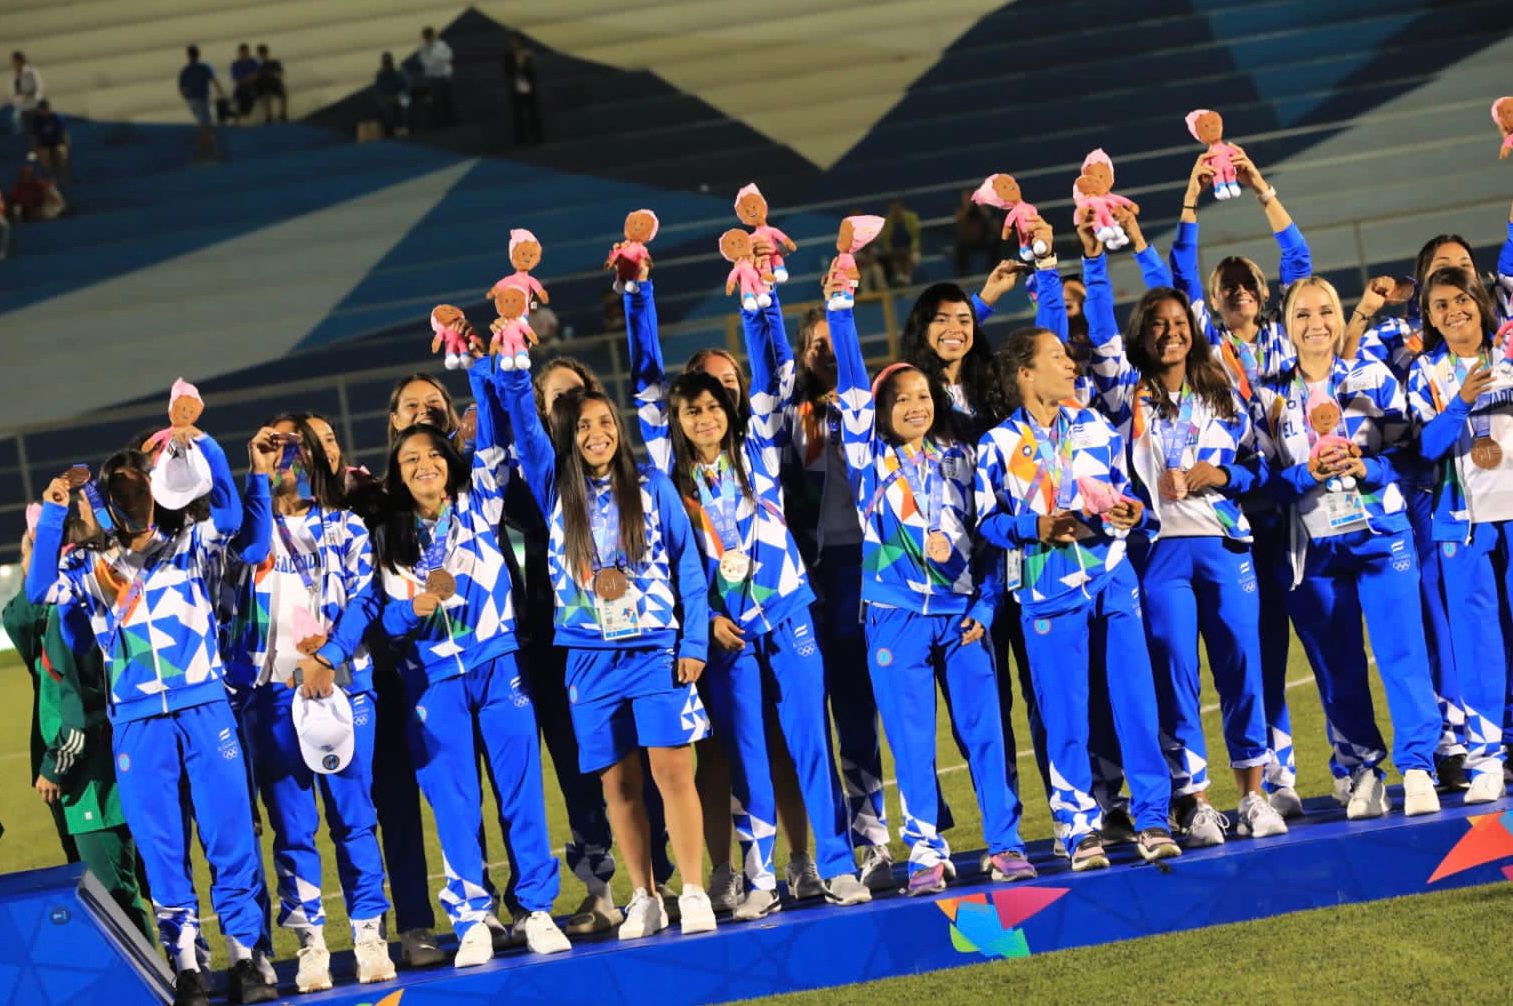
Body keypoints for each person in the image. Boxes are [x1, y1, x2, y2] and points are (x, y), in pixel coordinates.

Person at [629, 269, 872, 918]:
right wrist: (639, 294)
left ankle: (837, 865)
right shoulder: (668, 477)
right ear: (676, 421)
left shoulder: (759, 446)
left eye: (713, 406)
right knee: (746, 755)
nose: (705, 417)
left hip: (787, 612)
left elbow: (766, 364)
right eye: (692, 410)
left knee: (809, 742)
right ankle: (760, 876)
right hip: (725, 630)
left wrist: (757, 291)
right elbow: (645, 387)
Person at [26, 427, 280, 1006]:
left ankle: (248, 955)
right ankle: (188, 962)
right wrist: (52, 516)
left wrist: (212, 449)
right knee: (162, 845)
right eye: (118, 489)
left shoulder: (191, 543)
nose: (130, 496)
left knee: (228, 833)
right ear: (110, 501)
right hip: (138, 723)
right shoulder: (94, 568)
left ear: (157, 486)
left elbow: (246, 526)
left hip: (203, 704)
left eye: (138, 483)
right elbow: (40, 590)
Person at [1080, 212, 1286, 846]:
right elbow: (1102, 335)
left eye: (1178, 324)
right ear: (1144, 336)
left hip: (1226, 546)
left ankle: (1253, 795)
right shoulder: (1124, 396)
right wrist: (1093, 263)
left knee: (1243, 668)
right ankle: (1194, 801)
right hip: (1158, 552)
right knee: (1176, 675)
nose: (1170, 333)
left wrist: (1216, 476)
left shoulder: (1221, 391)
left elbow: (1261, 469)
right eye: (1158, 326)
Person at [828, 272, 1036, 896]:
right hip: (895, 615)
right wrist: (841, 305)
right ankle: (926, 852)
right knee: (912, 740)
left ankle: (1005, 844)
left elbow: (991, 530)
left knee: (985, 731)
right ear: (882, 412)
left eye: (924, 396)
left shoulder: (962, 456)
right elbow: (852, 385)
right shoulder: (868, 457)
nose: (917, 405)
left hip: (965, 612)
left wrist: (988, 602)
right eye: (903, 400)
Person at [501, 355, 719, 940]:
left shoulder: (651, 484)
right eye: (583, 427)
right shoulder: (554, 487)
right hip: (588, 659)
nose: (597, 434)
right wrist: (512, 361)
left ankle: (693, 890)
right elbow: (524, 424)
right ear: (567, 438)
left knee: (673, 774)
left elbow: (688, 568)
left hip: (654, 652)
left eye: (606, 423)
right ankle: (644, 894)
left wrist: (692, 640)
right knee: (617, 785)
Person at [372, 356, 570, 967]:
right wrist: (414, 608)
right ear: (397, 475)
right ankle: (473, 918)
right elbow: (384, 620)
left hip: (497, 662)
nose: (425, 465)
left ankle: (535, 910)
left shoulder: (479, 497)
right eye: (410, 461)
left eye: (432, 455)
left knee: (520, 793)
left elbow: (488, 440)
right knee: (454, 802)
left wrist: (482, 366)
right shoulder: (386, 530)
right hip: (431, 680)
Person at [976, 326, 1183, 871]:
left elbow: (1125, 488)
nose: (1071, 366)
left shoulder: (1091, 424)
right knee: (1065, 717)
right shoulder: (995, 445)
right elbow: (986, 525)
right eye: (1057, 358)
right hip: (1046, 588)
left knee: (1136, 702)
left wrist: (1131, 511)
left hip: (1111, 574)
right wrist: (1034, 526)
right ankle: (1078, 826)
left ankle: (1154, 817)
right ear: (1025, 374)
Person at [1249, 276, 1443, 819]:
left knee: (1402, 653)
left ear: (1340, 317)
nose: (1317, 324)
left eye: (1327, 312)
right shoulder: (1270, 394)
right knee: (1338, 670)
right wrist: (1300, 476)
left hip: (1380, 536)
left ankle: (1419, 766)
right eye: (1304, 314)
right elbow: (1259, 483)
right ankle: (1364, 771)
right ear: (1288, 325)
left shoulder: (1371, 376)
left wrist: (1370, 467)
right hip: (1312, 547)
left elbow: (1411, 453)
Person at [220, 415, 396, 992]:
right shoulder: (248, 534)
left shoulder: (343, 525)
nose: (285, 459)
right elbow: (244, 550)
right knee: (293, 829)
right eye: (276, 450)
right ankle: (312, 942)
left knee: (355, 819)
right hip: (271, 696)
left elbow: (367, 596)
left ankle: (368, 931)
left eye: (293, 449)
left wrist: (331, 656)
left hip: (342, 685)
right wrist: (257, 473)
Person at [1169, 145, 1312, 814]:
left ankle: (1340, 764)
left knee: (1303, 631)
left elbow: (1300, 265)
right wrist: (1192, 201)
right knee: (1255, 644)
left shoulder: (1286, 337)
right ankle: (1276, 774)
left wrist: (1258, 186)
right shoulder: (1206, 344)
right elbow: (1178, 275)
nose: (1235, 293)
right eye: (1224, 288)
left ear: (1260, 293)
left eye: (1245, 284)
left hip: (1293, 501)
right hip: (1231, 506)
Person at [6, 512, 155, 943]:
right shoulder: (53, 609)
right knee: (127, 888)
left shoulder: (72, 608)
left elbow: (82, 705)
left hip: (92, 777)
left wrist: (57, 764)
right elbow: (18, 620)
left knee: (114, 893)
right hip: (101, 771)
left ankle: (159, 983)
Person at [1406, 268, 1510, 803]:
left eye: (1462, 299)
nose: (1454, 311)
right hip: (1461, 520)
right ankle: (1488, 758)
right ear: (1430, 315)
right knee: (1476, 641)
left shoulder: (1509, 350)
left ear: (1480, 302)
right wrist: (1462, 401)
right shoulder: (1425, 371)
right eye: (1440, 304)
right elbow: (1424, 447)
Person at [177, 46, 223, 162]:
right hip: (202, 99)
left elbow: (182, 89)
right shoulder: (204, 67)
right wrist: (220, 91)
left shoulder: (185, 70)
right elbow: (214, 80)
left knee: (204, 126)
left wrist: (188, 97)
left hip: (192, 101)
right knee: (205, 127)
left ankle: (209, 153)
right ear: (198, 54)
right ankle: (204, 154)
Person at [503, 34, 542, 145]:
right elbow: (507, 73)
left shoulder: (528, 54)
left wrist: (527, 61)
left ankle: (537, 138)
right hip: (516, 90)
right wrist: (518, 66)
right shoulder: (508, 57)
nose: (513, 43)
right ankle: (521, 140)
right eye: (512, 41)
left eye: (515, 41)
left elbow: (534, 69)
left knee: (533, 114)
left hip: (530, 89)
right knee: (518, 116)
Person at [415, 27, 454, 129]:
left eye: (430, 36)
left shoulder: (441, 44)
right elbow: (427, 64)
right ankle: (441, 125)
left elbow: (449, 56)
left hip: (445, 76)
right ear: (424, 37)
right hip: (433, 78)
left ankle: (452, 123)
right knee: (437, 102)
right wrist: (439, 61)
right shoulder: (422, 48)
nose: (429, 38)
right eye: (427, 37)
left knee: (448, 100)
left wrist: (439, 60)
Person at [954, 188, 997, 276]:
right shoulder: (961, 210)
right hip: (967, 242)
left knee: (995, 245)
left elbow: (988, 216)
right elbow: (960, 219)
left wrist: (980, 205)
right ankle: (964, 275)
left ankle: (994, 271)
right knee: (959, 250)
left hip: (982, 240)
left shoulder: (981, 209)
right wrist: (967, 207)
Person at [879, 198, 921, 286]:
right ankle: (900, 278)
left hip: (911, 250)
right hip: (895, 252)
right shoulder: (887, 221)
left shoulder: (911, 217)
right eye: (892, 209)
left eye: (897, 208)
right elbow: (886, 240)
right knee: (894, 259)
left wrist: (911, 249)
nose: (895, 211)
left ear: (901, 207)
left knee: (911, 258)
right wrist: (890, 251)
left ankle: (907, 280)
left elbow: (915, 237)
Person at [373, 52, 410, 138]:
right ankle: (391, 133)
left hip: (398, 97)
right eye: (386, 64)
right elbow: (378, 91)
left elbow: (404, 86)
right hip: (386, 99)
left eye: (389, 63)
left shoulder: (397, 73)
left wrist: (399, 95)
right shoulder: (380, 76)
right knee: (388, 110)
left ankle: (403, 129)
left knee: (404, 105)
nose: (387, 66)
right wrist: (387, 98)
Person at [11, 52, 42, 148]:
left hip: (34, 106)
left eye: (16, 61)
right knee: (28, 132)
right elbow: (16, 92)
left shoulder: (31, 72)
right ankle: (33, 150)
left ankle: (39, 149)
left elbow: (37, 88)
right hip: (23, 108)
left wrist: (27, 95)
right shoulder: (15, 75)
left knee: (37, 130)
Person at [31, 100, 67, 183]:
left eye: (45, 109)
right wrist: (34, 149)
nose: (44, 111)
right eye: (42, 110)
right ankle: (50, 174)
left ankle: (62, 173)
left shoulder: (56, 117)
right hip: (44, 145)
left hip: (57, 143)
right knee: (44, 155)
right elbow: (34, 136)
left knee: (61, 152)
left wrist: (66, 144)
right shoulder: (37, 120)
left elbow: (63, 132)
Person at [254, 44, 286, 123]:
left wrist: (275, 75)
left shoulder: (274, 62)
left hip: (275, 84)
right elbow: (257, 77)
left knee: (283, 94)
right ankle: (269, 115)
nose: (263, 55)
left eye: (263, 53)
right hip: (265, 85)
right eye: (261, 53)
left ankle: (282, 114)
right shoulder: (259, 65)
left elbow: (280, 74)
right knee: (267, 95)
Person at [229, 44, 260, 121]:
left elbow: (256, 76)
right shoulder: (235, 64)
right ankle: (241, 114)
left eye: (246, 52)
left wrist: (247, 78)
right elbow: (236, 79)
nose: (244, 54)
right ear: (239, 53)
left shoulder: (254, 62)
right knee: (239, 94)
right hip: (241, 87)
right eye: (242, 52)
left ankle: (245, 113)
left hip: (253, 86)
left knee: (249, 93)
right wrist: (248, 78)